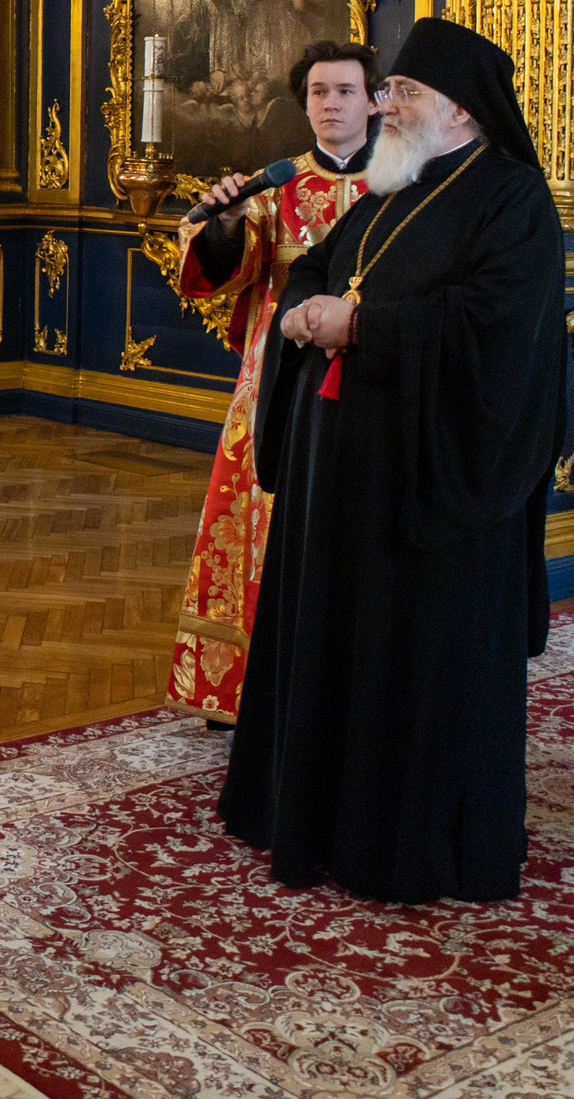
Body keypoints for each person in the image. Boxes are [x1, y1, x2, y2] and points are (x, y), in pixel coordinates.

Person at [219, 17, 565, 904]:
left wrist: (363, 326)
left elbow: (494, 331)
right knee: (335, 648)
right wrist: (303, 310)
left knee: (406, 668)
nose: (386, 105)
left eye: (401, 92)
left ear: (459, 109)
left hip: (426, 486)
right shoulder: (390, 186)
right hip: (340, 478)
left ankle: (400, 842)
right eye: (389, 91)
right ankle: (314, 813)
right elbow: (318, 265)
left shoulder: (513, 198)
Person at [167, 43, 376, 723]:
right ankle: (242, 685)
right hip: (276, 382)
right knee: (257, 521)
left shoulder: (402, 187)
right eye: (318, 92)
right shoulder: (275, 186)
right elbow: (223, 270)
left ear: (373, 101)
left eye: (345, 91)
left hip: (369, 379)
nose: (330, 104)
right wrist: (225, 223)